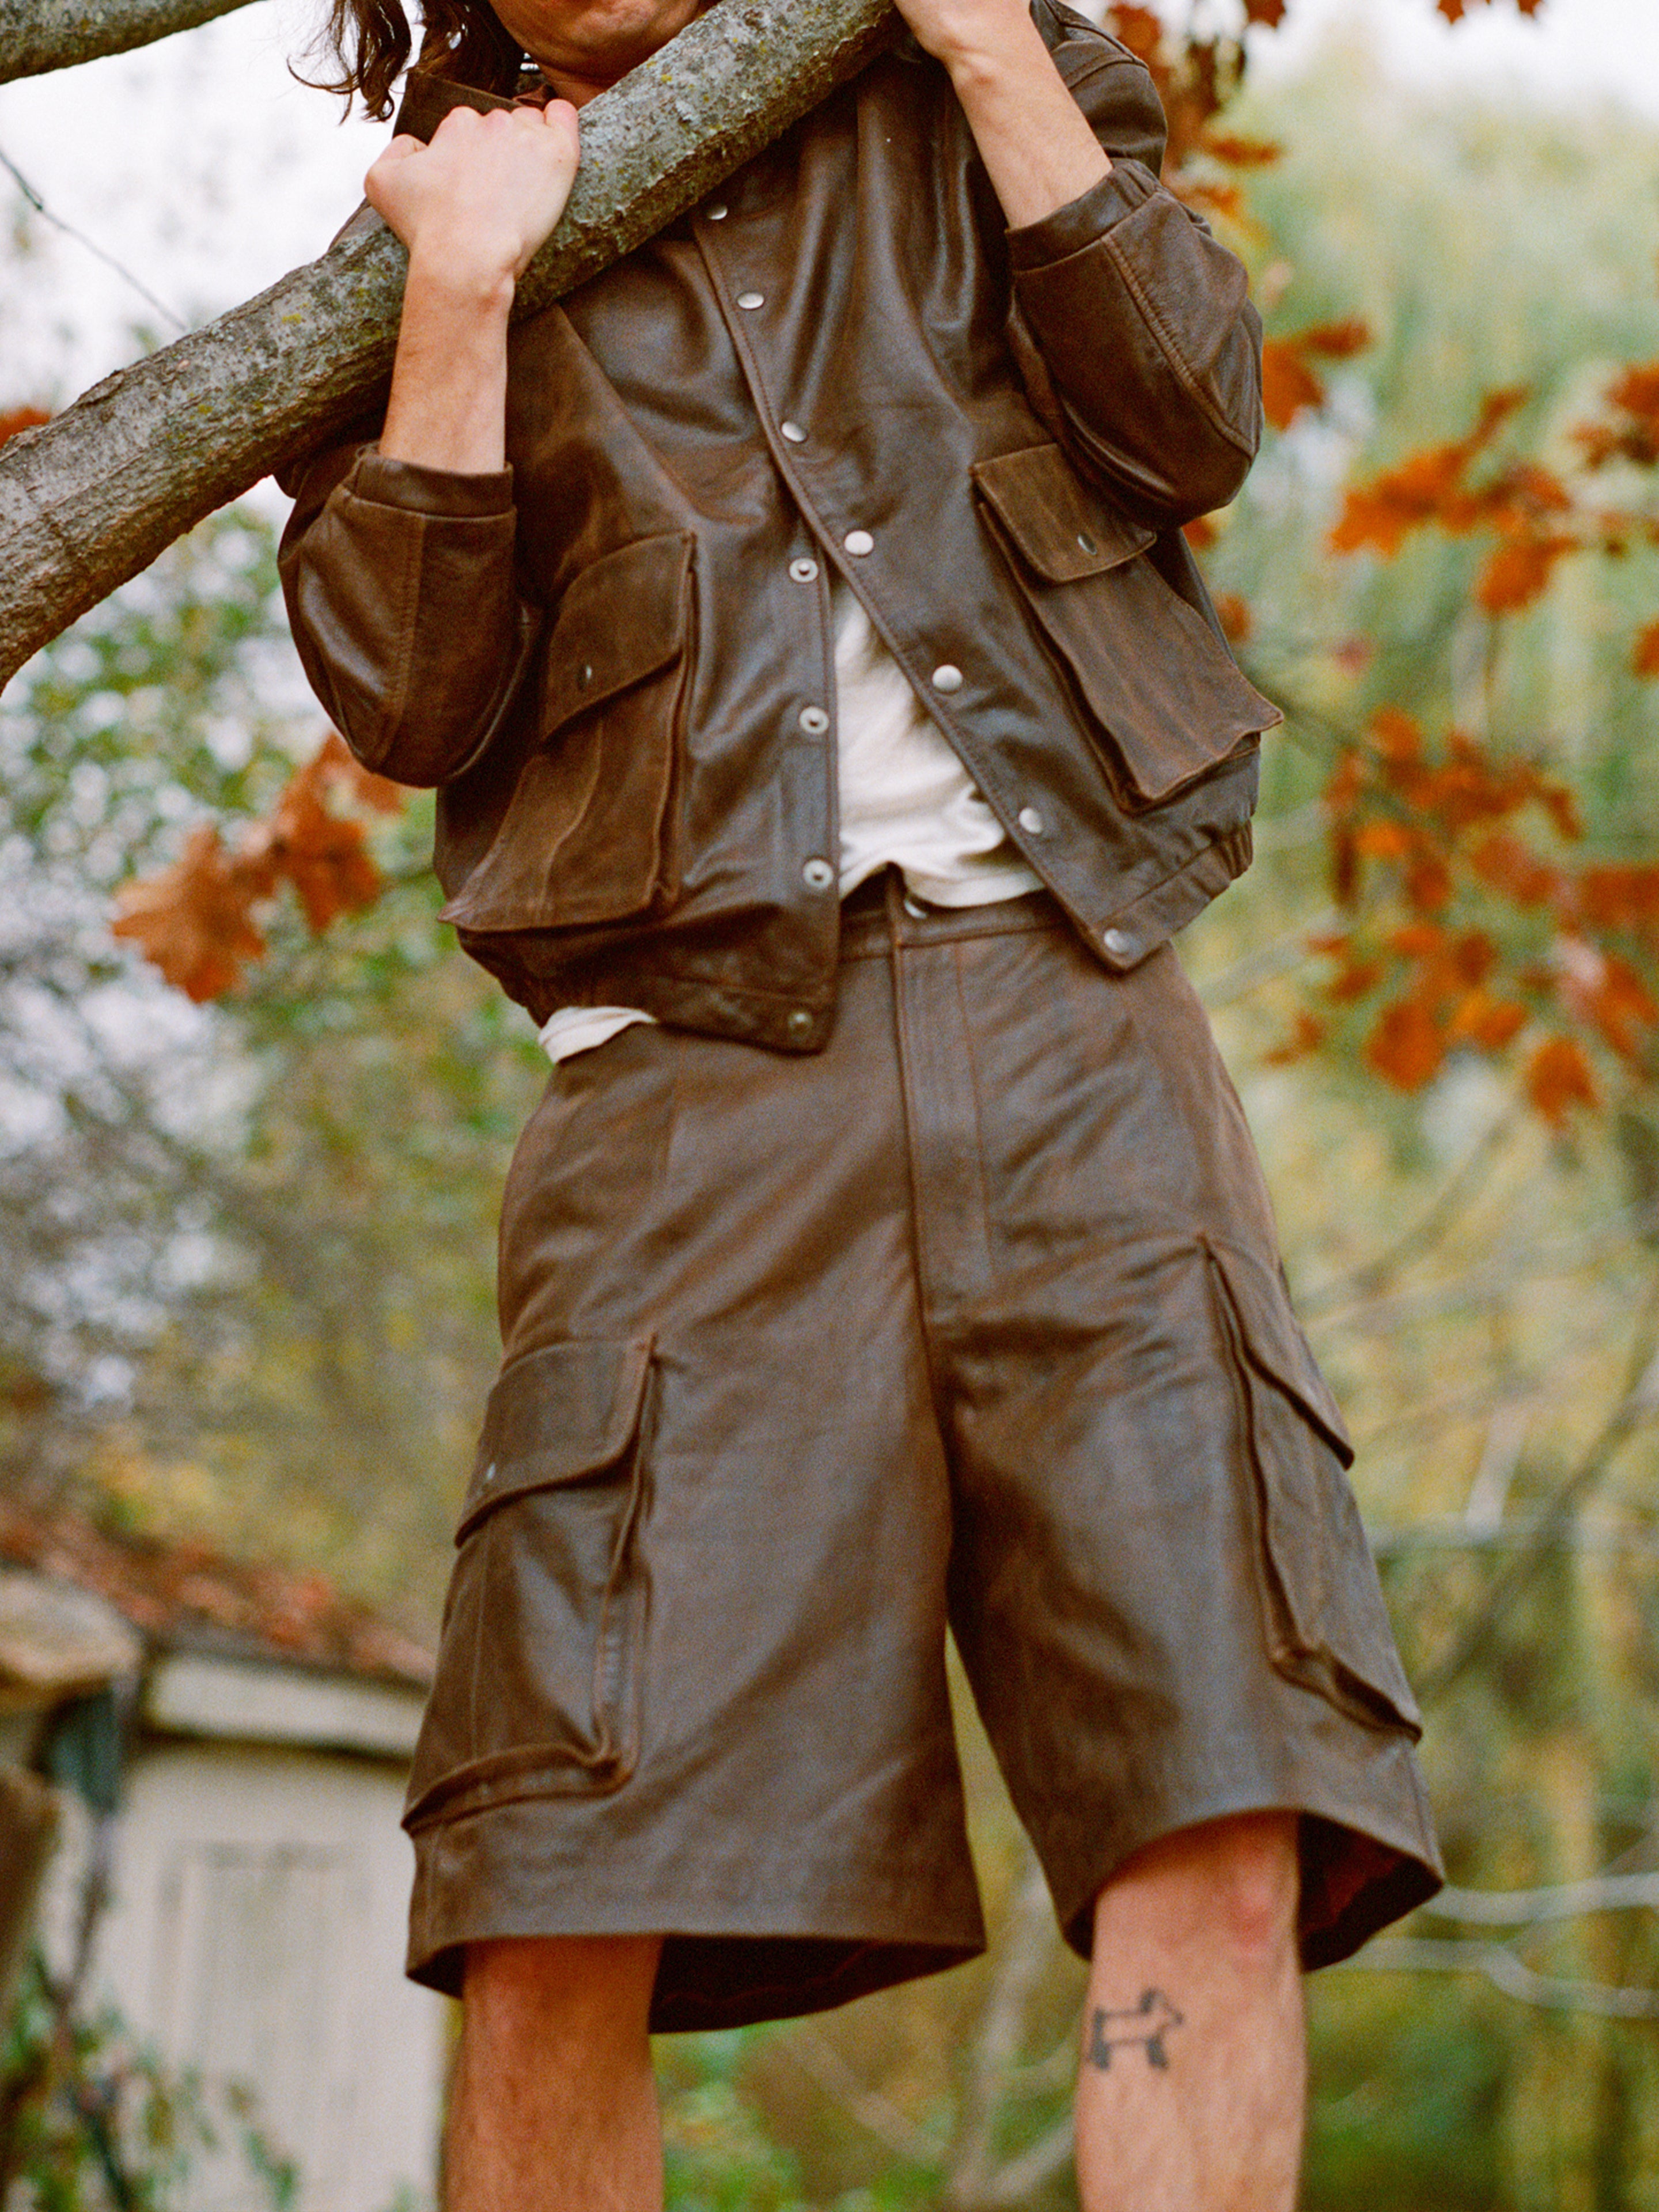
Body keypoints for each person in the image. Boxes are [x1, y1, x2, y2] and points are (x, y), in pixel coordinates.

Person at [279, 0, 1444, 2195]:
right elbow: (413, 703)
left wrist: (992, 47)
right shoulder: (413, 230)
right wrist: (454, 295)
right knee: (556, 1876)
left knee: (1221, 1794)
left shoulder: (990, 64)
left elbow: (1194, 420)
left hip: (1081, 1025)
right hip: (680, 1091)